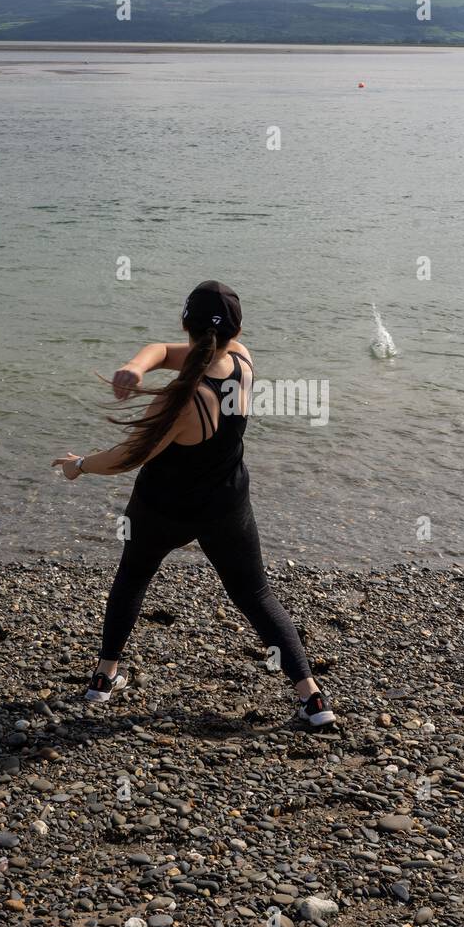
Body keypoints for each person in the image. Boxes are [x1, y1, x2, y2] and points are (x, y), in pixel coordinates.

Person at [51, 280, 336, 729]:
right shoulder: (241, 359)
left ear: (185, 321)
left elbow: (127, 457)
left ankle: (103, 680)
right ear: (235, 329)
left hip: (163, 508)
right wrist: (135, 366)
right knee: (255, 594)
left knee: (133, 577)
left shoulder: (181, 400)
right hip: (226, 504)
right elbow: (162, 352)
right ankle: (313, 698)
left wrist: (80, 465)